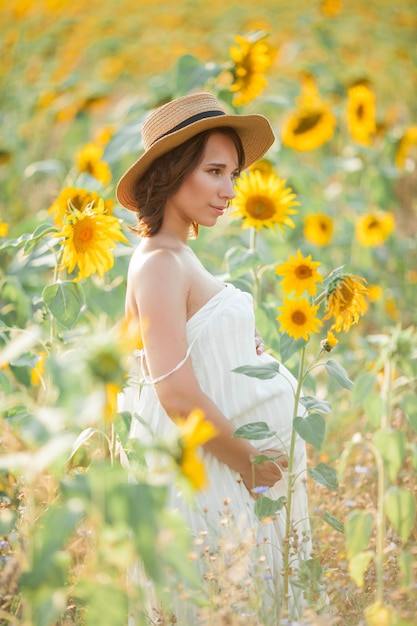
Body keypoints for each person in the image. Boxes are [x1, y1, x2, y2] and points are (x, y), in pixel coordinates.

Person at [117, 92, 312, 623]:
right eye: (215, 171)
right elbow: (175, 395)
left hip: (222, 472)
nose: (229, 191)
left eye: (234, 175)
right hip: (211, 477)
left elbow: (179, 358)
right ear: (173, 170)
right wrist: (257, 468)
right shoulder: (159, 261)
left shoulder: (176, 256)